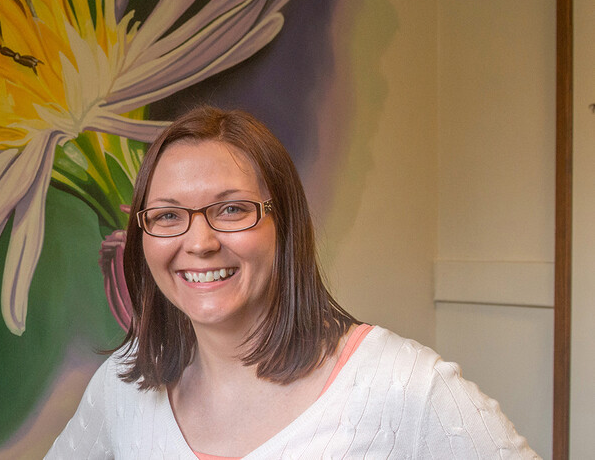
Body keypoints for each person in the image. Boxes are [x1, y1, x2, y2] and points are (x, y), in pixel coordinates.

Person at [46, 107, 538, 459]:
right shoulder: (124, 384)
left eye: (232, 209)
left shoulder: (404, 386)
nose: (199, 242)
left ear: (286, 225)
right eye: (168, 215)